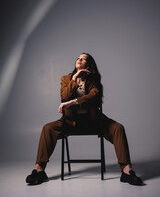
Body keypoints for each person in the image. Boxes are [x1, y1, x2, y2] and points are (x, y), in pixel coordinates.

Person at [26, 53, 143, 185]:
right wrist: (75, 78)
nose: (79, 60)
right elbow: (64, 96)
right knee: (47, 128)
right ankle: (39, 170)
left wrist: (73, 102)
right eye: (78, 58)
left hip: (94, 121)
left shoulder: (94, 80)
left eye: (83, 59)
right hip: (70, 121)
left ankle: (127, 171)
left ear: (89, 64)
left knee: (118, 128)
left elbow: (94, 97)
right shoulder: (66, 79)